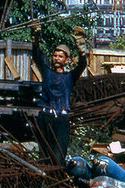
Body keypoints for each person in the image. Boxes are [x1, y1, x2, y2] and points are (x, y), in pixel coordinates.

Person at [31, 24, 88, 163]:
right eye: (55, 56)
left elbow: (82, 65)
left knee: (58, 155)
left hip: (61, 119)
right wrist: (35, 39)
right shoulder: (47, 72)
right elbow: (37, 55)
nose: (57, 58)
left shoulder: (70, 77)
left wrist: (81, 49)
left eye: (60, 56)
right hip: (45, 116)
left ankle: (57, 179)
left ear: (66, 60)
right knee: (43, 154)